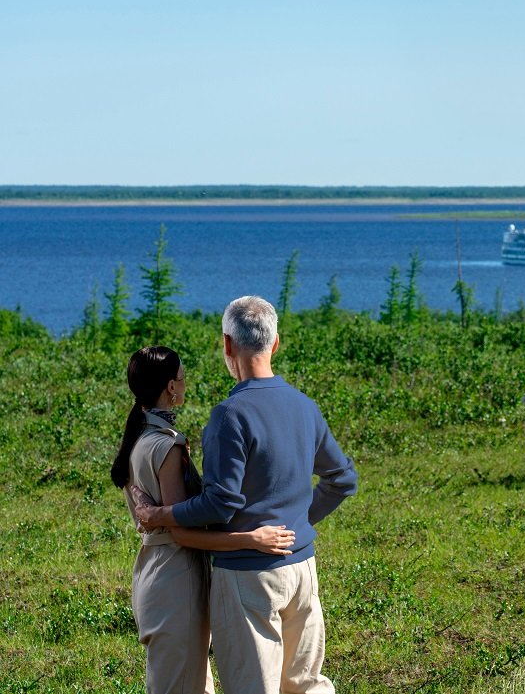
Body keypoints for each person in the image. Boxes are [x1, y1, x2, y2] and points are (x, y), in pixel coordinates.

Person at [136, 296, 358, 694]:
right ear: (275, 344)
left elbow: (220, 504)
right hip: (302, 568)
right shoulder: (306, 407)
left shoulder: (229, 415)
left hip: (246, 577)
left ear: (227, 345)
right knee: (305, 684)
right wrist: (298, 522)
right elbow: (342, 479)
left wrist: (164, 514)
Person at [112, 345, 297, 694]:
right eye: (182, 377)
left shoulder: (140, 438)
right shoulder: (166, 447)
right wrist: (251, 539)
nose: (184, 383)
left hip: (155, 571)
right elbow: (183, 535)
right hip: (176, 580)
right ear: (171, 387)